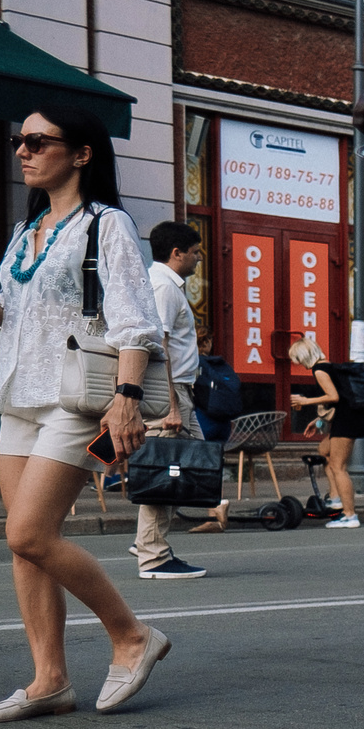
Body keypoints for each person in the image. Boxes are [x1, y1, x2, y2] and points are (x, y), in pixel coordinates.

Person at [0, 108, 171, 720]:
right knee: (25, 547)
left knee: (27, 532)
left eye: (36, 141)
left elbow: (135, 321)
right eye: (16, 141)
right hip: (19, 397)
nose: (22, 151)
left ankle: (132, 635)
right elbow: (27, 327)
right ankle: (49, 680)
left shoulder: (106, 225)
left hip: (77, 399)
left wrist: (127, 401)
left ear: (81, 154)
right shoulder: (25, 232)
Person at [129, 221, 209, 579]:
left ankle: (147, 539)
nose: (198, 258)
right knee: (168, 469)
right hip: (170, 390)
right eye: (195, 252)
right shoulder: (162, 287)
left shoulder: (166, 285)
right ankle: (153, 555)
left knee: (195, 466)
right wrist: (171, 406)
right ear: (176, 253)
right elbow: (156, 345)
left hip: (180, 389)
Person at [288, 338, 364, 529]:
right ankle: (334, 498)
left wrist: (304, 401)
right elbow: (336, 402)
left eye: (297, 360)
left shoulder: (319, 370)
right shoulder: (328, 366)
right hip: (350, 418)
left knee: (338, 467)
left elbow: (333, 397)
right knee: (324, 450)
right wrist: (317, 422)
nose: (298, 364)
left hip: (347, 421)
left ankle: (350, 515)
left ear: (304, 356)